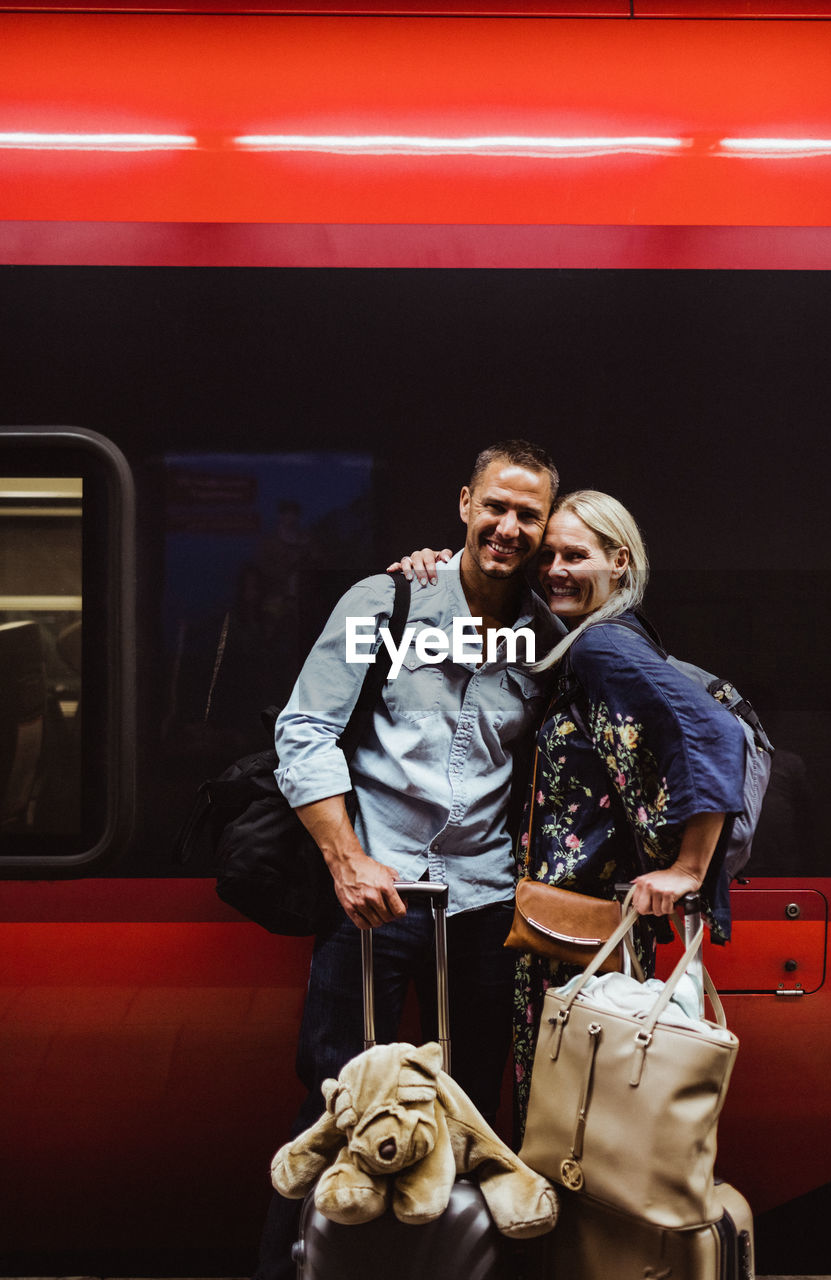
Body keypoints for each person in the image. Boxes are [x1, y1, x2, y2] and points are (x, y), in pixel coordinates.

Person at [254, 440, 565, 1280]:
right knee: (333, 1100)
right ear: (464, 503)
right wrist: (346, 860)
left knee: (472, 1108)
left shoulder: (546, 632)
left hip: (485, 904)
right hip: (376, 895)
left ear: (542, 528)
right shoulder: (386, 599)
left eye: (526, 514)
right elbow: (304, 730)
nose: (507, 526)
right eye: (493, 506)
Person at [394, 489, 746, 1135]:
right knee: (586, 1123)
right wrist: (438, 573)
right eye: (548, 554)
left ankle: (565, 1238)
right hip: (581, 934)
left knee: (568, 1123)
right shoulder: (591, 639)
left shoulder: (600, 647)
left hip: (575, 944)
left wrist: (690, 869)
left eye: (575, 555)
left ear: (618, 561)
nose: (554, 568)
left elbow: (712, 732)